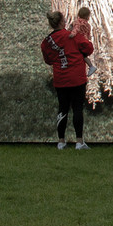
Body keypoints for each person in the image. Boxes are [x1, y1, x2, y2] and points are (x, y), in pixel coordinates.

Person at [40, 9, 93, 149]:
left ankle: (61, 141)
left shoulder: (47, 41)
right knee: (77, 108)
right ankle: (79, 141)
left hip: (61, 79)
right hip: (77, 78)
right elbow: (88, 48)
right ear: (63, 22)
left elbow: (48, 60)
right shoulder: (72, 36)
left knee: (62, 109)